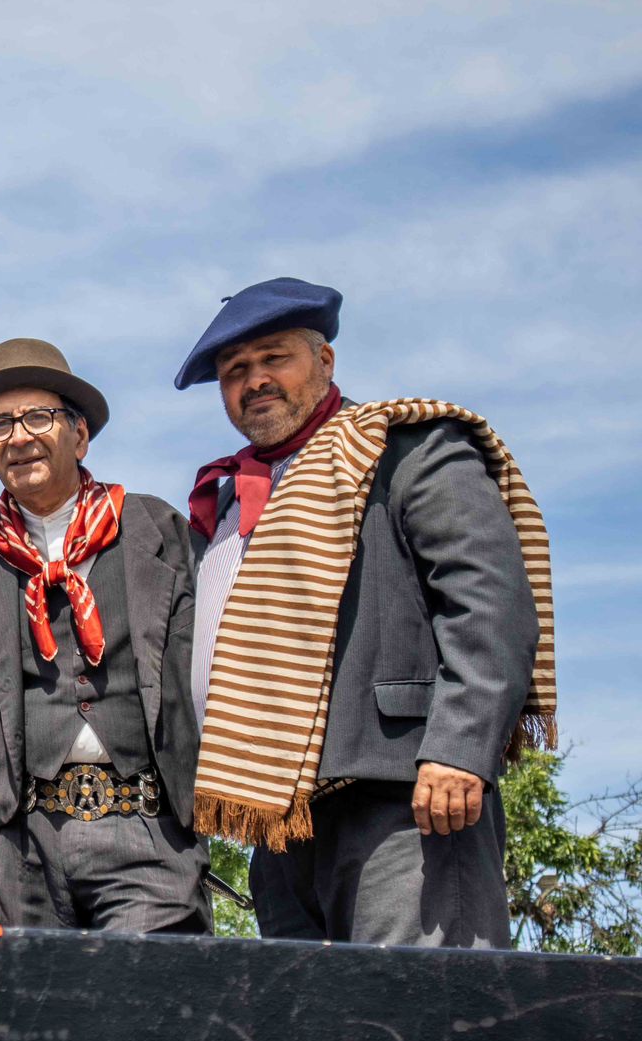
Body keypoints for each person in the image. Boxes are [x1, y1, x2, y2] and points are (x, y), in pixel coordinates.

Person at [175, 276, 557, 947]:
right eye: (235, 371)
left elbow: (487, 599)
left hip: (404, 799)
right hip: (284, 820)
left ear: (325, 360)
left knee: (422, 1000)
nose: (255, 380)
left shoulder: (403, 447)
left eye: (274, 358)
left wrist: (459, 749)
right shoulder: (231, 501)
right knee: (309, 1007)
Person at [0, 338, 210, 933]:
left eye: (39, 417)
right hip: (22, 845)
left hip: (147, 827)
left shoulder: (155, 529)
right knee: (26, 995)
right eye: (0, 425)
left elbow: (209, 661)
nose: (19, 437)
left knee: (147, 989)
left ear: (80, 436)